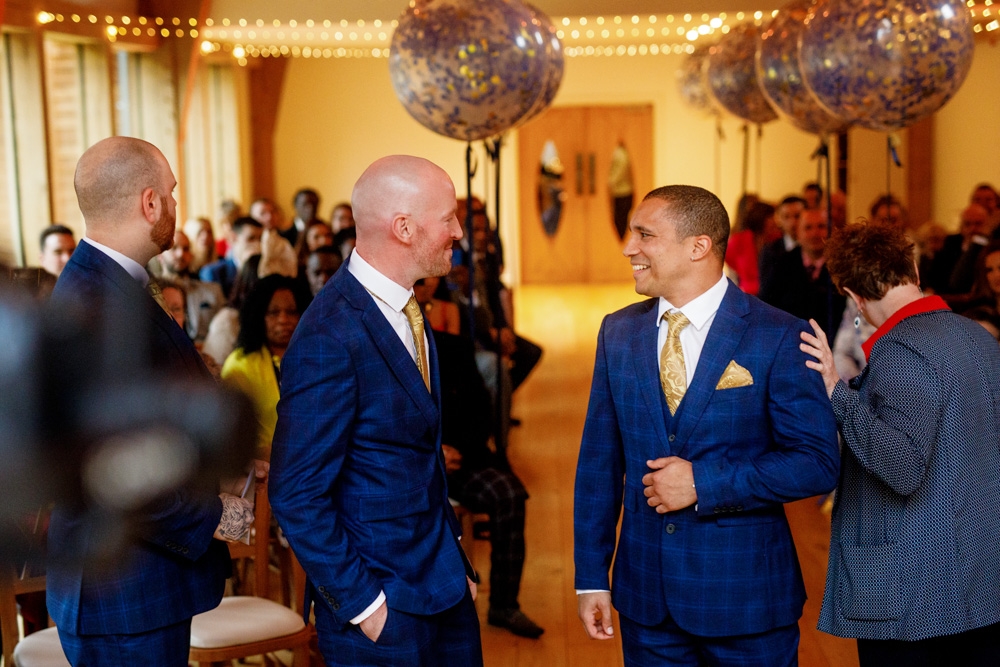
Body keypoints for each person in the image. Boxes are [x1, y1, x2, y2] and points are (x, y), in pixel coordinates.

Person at [574, 184, 839, 666]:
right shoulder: (618, 331)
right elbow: (599, 463)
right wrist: (591, 576)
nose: (629, 248)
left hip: (746, 601)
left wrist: (704, 482)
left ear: (698, 246)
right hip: (646, 603)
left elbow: (817, 463)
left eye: (645, 235)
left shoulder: (779, 334)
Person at [48, 136, 254, 666]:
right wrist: (217, 516)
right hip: (120, 594)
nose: (176, 206)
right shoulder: (95, 303)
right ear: (150, 203)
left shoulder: (115, 284)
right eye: (172, 193)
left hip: (139, 588)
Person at [269, 155, 483, 666]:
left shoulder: (404, 306)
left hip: (443, 586)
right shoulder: (329, 333)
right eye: (448, 218)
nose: (458, 231)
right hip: (383, 606)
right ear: (403, 228)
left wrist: (458, 564)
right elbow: (295, 491)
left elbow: (412, 452)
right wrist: (365, 606)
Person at [799, 221, 1000, 666]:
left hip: (917, 592)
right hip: (980, 580)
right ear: (912, 266)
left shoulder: (901, 350)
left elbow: (901, 466)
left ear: (853, 294)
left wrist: (837, 391)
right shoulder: (980, 338)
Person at [221, 276, 308, 460]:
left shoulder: (317, 355)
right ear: (258, 316)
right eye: (273, 313)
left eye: (292, 312)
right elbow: (229, 437)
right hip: (261, 470)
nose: (283, 319)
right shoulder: (240, 365)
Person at [759, 207, 846, 344]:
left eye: (821, 227)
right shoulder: (782, 264)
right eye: (808, 228)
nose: (815, 233)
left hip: (835, 345)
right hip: (789, 345)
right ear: (798, 233)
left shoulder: (842, 266)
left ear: (831, 231)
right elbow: (767, 307)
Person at [157, 230, 226, 344]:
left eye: (186, 249)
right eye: (174, 248)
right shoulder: (149, 294)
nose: (181, 254)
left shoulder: (213, 291)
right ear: (160, 255)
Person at [199, 216, 262, 298]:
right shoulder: (213, 273)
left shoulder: (264, 269)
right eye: (251, 239)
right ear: (233, 238)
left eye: (260, 239)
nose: (257, 245)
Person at [724, 199, 778, 295]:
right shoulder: (739, 240)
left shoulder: (777, 239)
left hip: (772, 295)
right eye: (770, 217)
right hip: (747, 294)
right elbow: (729, 258)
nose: (774, 221)